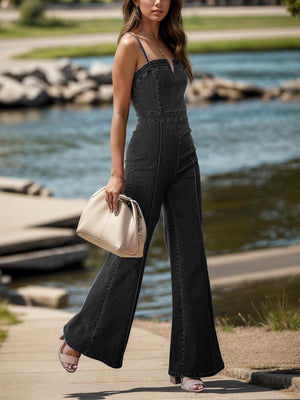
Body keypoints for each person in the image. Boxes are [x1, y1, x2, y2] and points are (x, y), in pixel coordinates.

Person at [58, 0, 224, 393]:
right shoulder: (129, 45)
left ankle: (188, 364)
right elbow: (118, 114)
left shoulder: (172, 41)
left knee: (191, 256)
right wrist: (117, 172)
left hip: (185, 155)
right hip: (147, 156)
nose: (157, 2)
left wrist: (186, 152)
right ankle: (77, 337)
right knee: (130, 251)